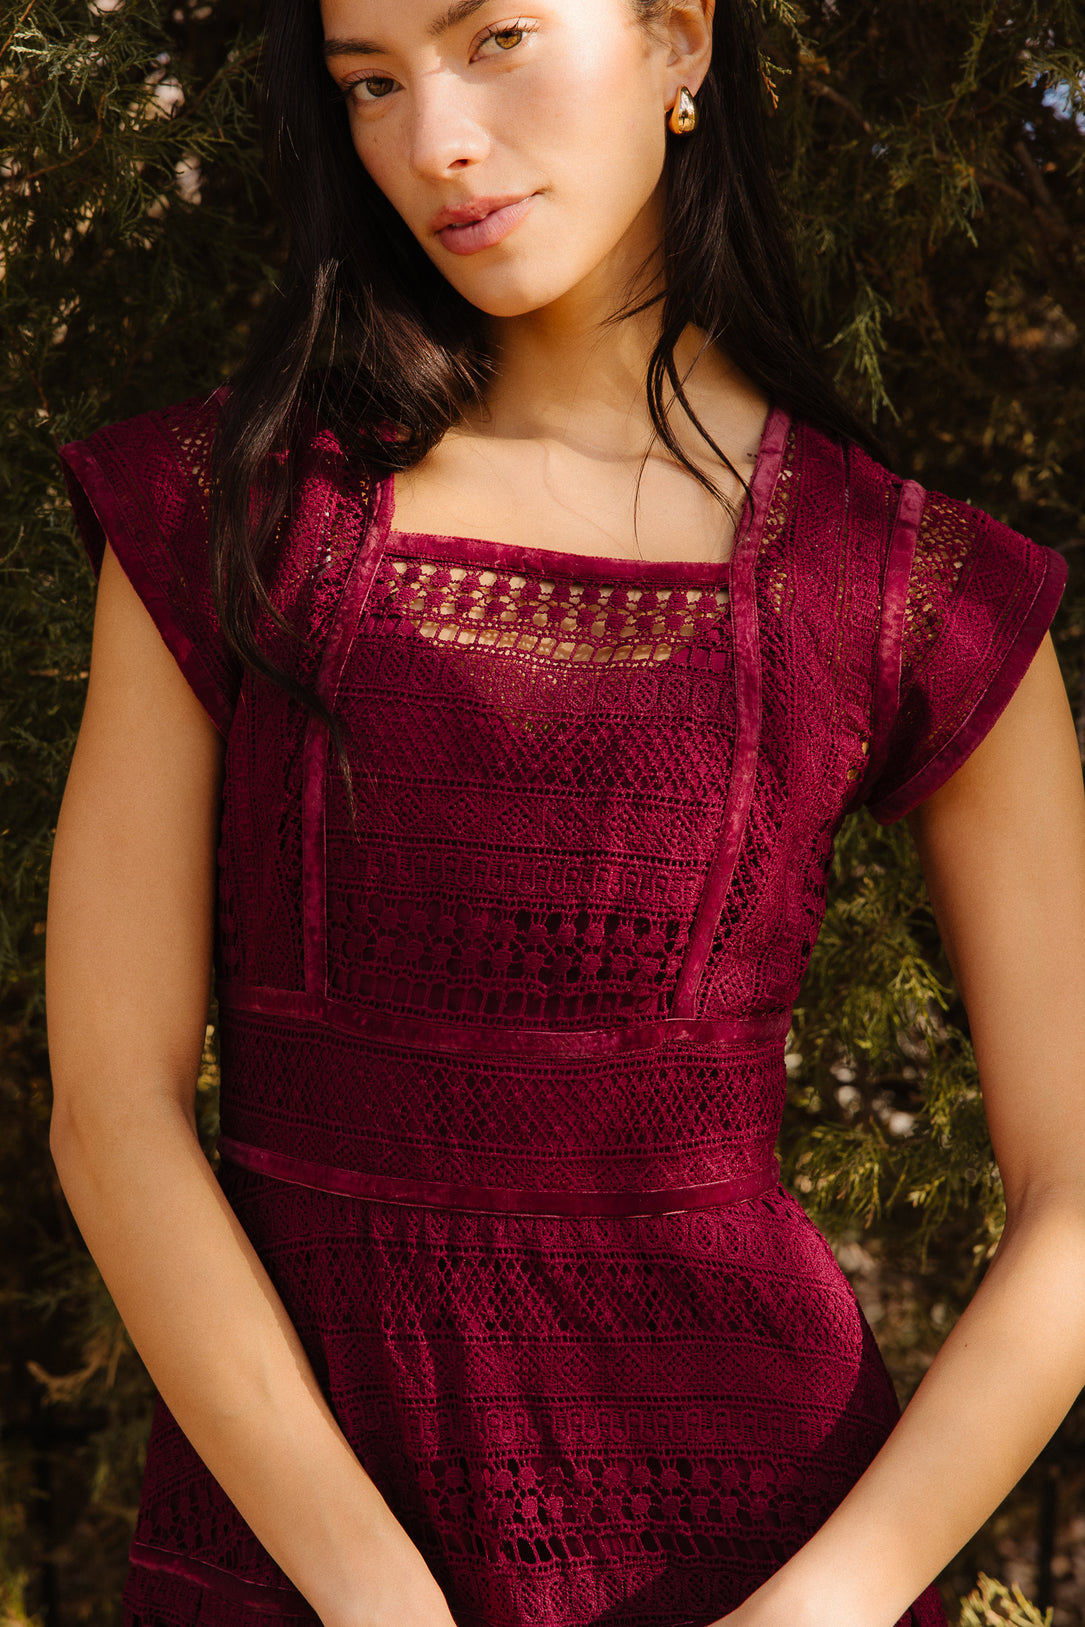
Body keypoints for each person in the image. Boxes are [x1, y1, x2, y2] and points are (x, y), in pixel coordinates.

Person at [45, 1, 1085, 1624]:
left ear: (678, 39)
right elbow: (110, 1113)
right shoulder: (223, 515)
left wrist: (829, 1604)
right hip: (297, 1564)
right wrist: (368, 1593)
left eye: (496, 39)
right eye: (369, 83)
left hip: (756, 1546)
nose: (434, 141)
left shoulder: (904, 583)